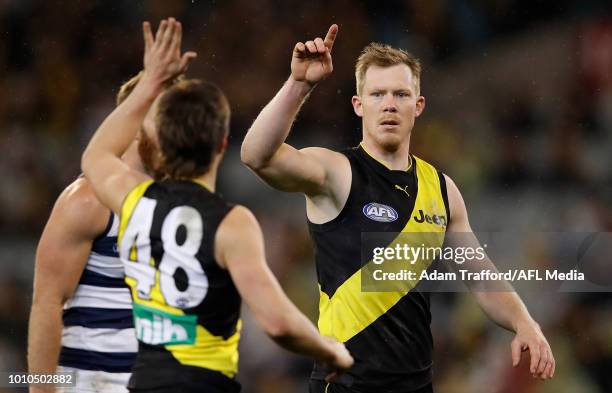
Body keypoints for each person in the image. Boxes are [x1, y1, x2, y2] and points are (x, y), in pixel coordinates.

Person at [240, 25, 555, 392]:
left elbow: (480, 277)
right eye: (377, 94)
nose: (389, 104)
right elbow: (255, 155)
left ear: (417, 106)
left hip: (417, 385)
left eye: (401, 94)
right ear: (359, 105)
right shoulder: (335, 172)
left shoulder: (442, 189)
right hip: (346, 385)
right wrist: (299, 84)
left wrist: (524, 322)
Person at [81, 18, 353, 393]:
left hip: (144, 384)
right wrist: (331, 351)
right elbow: (277, 322)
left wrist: (149, 84)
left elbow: (96, 154)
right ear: (222, 145)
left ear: (157, 143)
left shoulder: (134, 201)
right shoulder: (232, 224)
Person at [28, 71, 153, 393]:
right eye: (170, 118)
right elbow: (47, 302)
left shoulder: (177, 201)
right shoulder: (89, 200)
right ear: (136, 121)